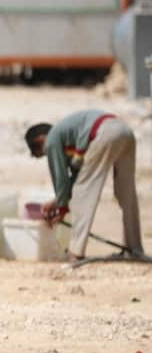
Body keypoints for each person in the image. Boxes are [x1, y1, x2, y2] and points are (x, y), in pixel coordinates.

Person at [25, 111, 143, 260]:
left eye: (42, 153)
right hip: (124, 130)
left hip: (104, 133)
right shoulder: (71, 135)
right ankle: (134, 250)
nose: (47, 154)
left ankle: (76, 252)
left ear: (41, 140)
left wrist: (62, 207)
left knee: (83, 194)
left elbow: (60, 176)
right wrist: (58, 201)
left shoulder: (52, 139)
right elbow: (78, 175)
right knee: (126, 194)